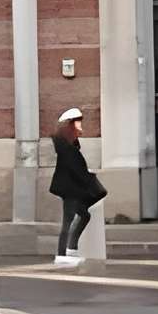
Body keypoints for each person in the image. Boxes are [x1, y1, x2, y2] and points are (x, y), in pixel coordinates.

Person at [48, 106, 105, 267]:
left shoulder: (69, 147)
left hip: (72, 189)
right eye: (78, 124)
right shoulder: (67, 149)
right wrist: (89, 181)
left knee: (84, 215)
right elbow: (76, 170)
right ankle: (62, 254)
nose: (81, 128)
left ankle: (71, 249)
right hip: (70, 190)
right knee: (68, 220)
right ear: (70, 126)